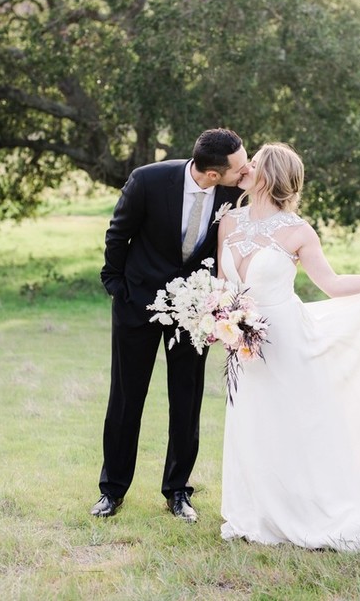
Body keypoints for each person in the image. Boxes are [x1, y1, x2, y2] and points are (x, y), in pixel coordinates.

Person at [217, 143, 360, 551]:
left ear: (269, 175)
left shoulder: (298, 231)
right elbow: (223, 284)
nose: (244, 171)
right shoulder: (228, 222)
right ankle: (259, 512)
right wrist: (223, 320)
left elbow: (333, 285)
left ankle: (312, 509)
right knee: (254, 424)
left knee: (296, 425)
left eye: (253, 165)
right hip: (246, 345)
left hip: (287, 340)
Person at [91, 128, 250, 521]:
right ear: (213, 173)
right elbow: (118, 234)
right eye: (239, 167)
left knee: (186, 400)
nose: (245, 171)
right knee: (126, 399)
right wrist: (116, 286)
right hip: (137, 305)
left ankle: (178, 492)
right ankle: (112, 491)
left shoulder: (235, 193)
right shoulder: (148, 179)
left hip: (196, 310)